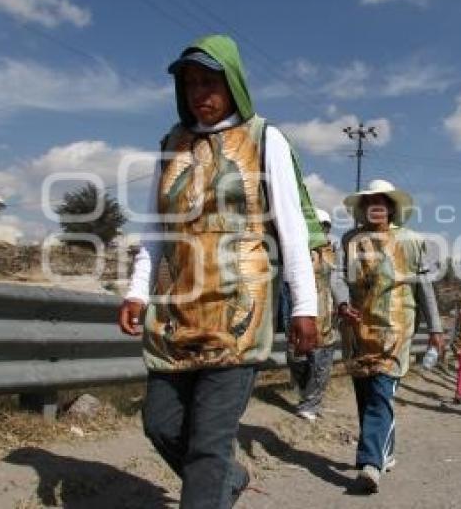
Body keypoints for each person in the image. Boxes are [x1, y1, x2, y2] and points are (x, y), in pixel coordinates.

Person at [117, 35, 323, 509]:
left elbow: (291, 230)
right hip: (175, 313)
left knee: (209, 442)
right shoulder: (172, 143)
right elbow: (156, 230)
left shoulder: (264, 139)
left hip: (238, 311)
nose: (198, 93)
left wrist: (304, 307)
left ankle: (211, 484)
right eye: (190, 83)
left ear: (233, 85)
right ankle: (228, 478)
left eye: (210, 81)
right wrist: (135, 291)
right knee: (161, 424)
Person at [332, 179, 444, 493]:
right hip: (358, 329)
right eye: (369, 203)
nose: (375, 207)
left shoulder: (410, 241)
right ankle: (386, 451)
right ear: (363, 209)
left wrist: (435, 328)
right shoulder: (351, 240)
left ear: (392, 208)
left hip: (396, 328)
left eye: (382, 202)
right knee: (366, 393)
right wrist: (342, 303)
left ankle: (370, 463)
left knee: (381, 390)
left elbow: (424, 287)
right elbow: (339, 276)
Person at [289, 209, 338, 421]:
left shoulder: (332, 253)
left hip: (325, 314)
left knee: (321, 362)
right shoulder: (296, 251)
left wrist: (343, 303)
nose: (322, 231)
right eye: (318, 226)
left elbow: (338, 281)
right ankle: (306, 394)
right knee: (295, 358)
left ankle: (310, 403)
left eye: (325, 227)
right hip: (299, 313)